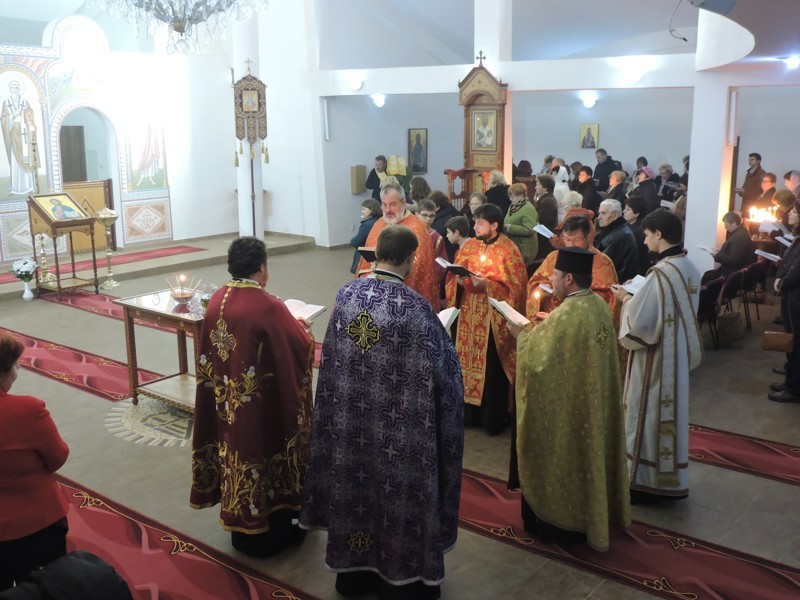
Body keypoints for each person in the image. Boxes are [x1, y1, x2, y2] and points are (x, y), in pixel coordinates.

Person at [300, 226, 464, 600]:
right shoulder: (416, 309)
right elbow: (446, 376)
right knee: (398, 498)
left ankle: (353, 576)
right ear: (411, 260)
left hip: (352, 425)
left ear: (376, 256)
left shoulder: (346, 295)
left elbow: (331, 361)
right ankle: (402, 577)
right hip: (400, 432)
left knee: (356, 491)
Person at [190, 237, 314, 557]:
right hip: (258, 407)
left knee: (236, 456)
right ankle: (271, 533)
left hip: (227, 405)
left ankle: (241, 528)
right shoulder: (267, 305)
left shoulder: (217, 299)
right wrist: (304, 328)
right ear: (261, 267)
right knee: (263, 453)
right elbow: (298, 345)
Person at [509, 247, 630, 551]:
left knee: (564, 454)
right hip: (593, 405)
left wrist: (520, 336)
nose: (551, 280)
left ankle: (559, 522)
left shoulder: (566, 315)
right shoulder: (599, 306)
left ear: (569, 278)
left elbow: (539, 362)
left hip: (571, 413)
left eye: (555, 275)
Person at [613, 209, 702, 504]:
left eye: (647, 234)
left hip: (656, 359)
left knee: (645, 415)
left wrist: (626, 299)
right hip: (676, 357)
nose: (644, 240)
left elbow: (641, 324)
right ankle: (668, 479)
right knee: (667, 418)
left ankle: (641, 482)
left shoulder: (661, 274)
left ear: (659, 234)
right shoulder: (689, 267)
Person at [445, 203, 527, 436]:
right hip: (467, 314)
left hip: (491, 320)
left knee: (490, 366)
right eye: (475, 222)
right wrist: (459, 282)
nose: (475, 227)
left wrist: (487, 285)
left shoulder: (509, 250)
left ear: (494, 225)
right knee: (463, 363)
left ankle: (490, 419)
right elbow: (454, 275)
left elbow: (517, 289)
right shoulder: (470, 245)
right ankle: (467, 415)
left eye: (480, 223)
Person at [0, 334, 70, 590]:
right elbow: (57, 457)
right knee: (48, 589)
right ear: (4, 372)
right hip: (36, 522)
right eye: (16, 365)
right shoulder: (28, 410)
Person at [354, 180, 438, 307]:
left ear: (403, 202)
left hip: (403, 296)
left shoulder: (417, 229)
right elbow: (365, 262)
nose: (388, 210)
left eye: (392, 204)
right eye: (384, 205)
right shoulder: (379, 224)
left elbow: (418, 269)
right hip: (375, 290)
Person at [527, 215, 618, 321]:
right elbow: (534, 283)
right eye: (567, 239)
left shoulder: (603, 263)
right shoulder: (553, 257)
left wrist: (570, 294)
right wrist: (541, 290)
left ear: (588, 237)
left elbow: (609, 298)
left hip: (581, 319)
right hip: (549, 316)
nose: (571, 245)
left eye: (576, 240)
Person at [0, 80, 36, 195]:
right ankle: (15, 188)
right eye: (12, 88)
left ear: (19, 88)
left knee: (26, 158)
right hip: (13, 135)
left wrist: (27, 123)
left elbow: (30, 118)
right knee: (15, 161)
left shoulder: (25, 102)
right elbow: (3, 119)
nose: (14, 89)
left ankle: (30, 186)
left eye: (16, 87)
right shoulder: (6, 103)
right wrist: (12, 116)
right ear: (10, 89)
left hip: (24, 135)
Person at [701, 212, 755, 283]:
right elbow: (734, 251)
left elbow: (733, 260)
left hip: (733, 273)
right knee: (708, 275)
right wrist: (720, 250)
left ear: (734, 223)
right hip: (736, 269)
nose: (725, 227)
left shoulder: (738, 237)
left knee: (707, 278)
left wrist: (716, 255)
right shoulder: (741, 231)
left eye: (726, 224)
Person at [595, 199, 640, 284]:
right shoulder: (617, 230)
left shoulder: (620, 236)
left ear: (615, 215)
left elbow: (603, 265)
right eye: (599, 213)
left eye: (603, 213)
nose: (599, 217)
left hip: (616, 284)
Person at [504, 182, 539, 263]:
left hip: (524, 250)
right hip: (515, 247)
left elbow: (529, 229)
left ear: (521, 196)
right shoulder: (513, 206)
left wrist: (510, 227)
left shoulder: (528, 208)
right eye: (510, 196)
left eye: (512, 197)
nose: (510, 199)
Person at [349, 198, 381, 274]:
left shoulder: (367, 225)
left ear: (371, 210)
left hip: (365, 255)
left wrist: (352, 240)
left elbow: (357, 242)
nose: (362, 212)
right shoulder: (381, 221)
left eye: (364, 209)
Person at [622, 195, 651, 276]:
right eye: (624, 208)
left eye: (628, 209)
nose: (624, 211)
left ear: (637, 213)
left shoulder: (638, 232)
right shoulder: (630, 226)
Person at [429, 190, 461, 261]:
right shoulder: (452, 212)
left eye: (430, 206)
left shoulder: (441, 222)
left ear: (437, 207)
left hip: (446, 257)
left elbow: (434, 240)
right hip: (453, 254)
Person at [533, 174, 559, 260]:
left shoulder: (547, 201)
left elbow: (542, 221)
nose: (535, 187)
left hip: (544, 240)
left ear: (545, 187)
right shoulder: (546, 198)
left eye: (538, 184)